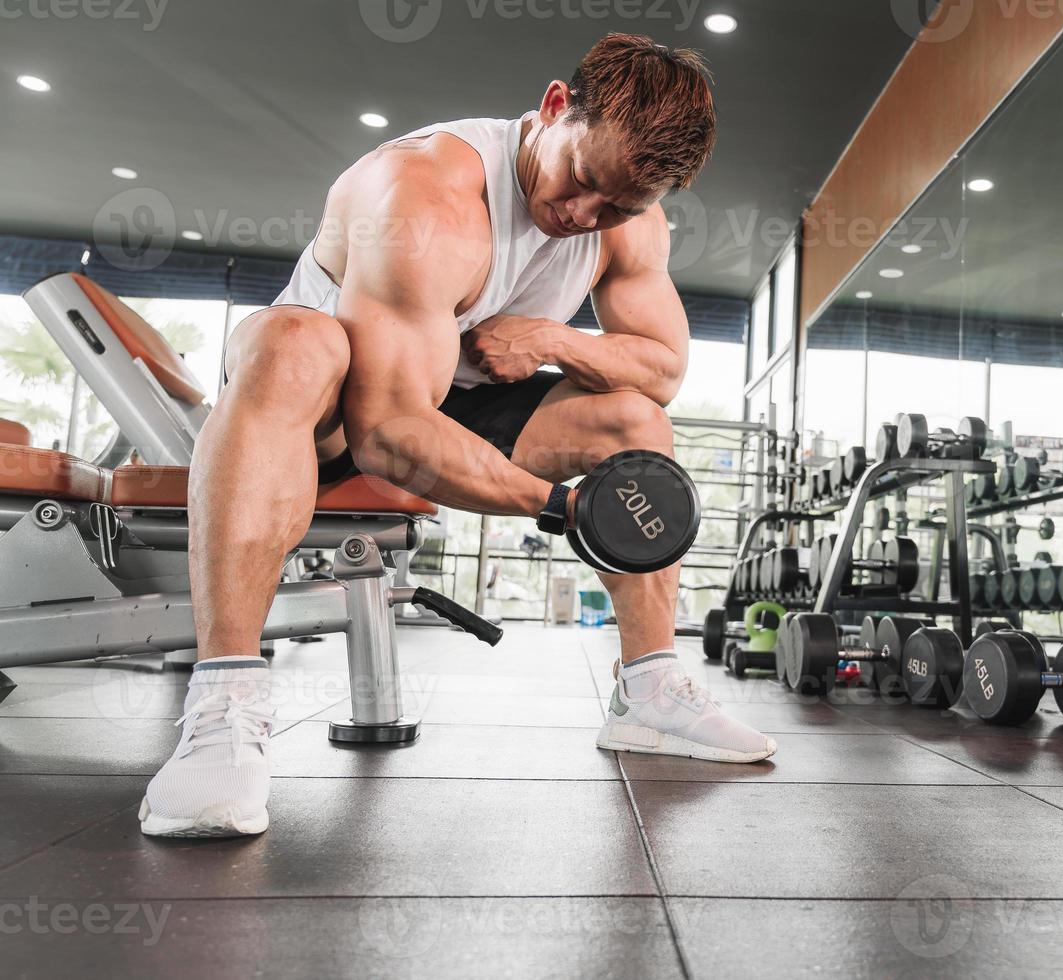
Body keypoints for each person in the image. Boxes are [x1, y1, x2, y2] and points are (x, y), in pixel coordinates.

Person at [140, 33, 776, 839]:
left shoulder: (626, 222)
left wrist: (552, 339)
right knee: (293, 345)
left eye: (617, 206)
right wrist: (562, 508)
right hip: (324, 411)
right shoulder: (426, 195)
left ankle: (648, 690)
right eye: (580, 181)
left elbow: (659, 371)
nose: (583, 216)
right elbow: (386, 433)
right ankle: (224, 705)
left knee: (633, 422)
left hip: (447, 395)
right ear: (552, 108)